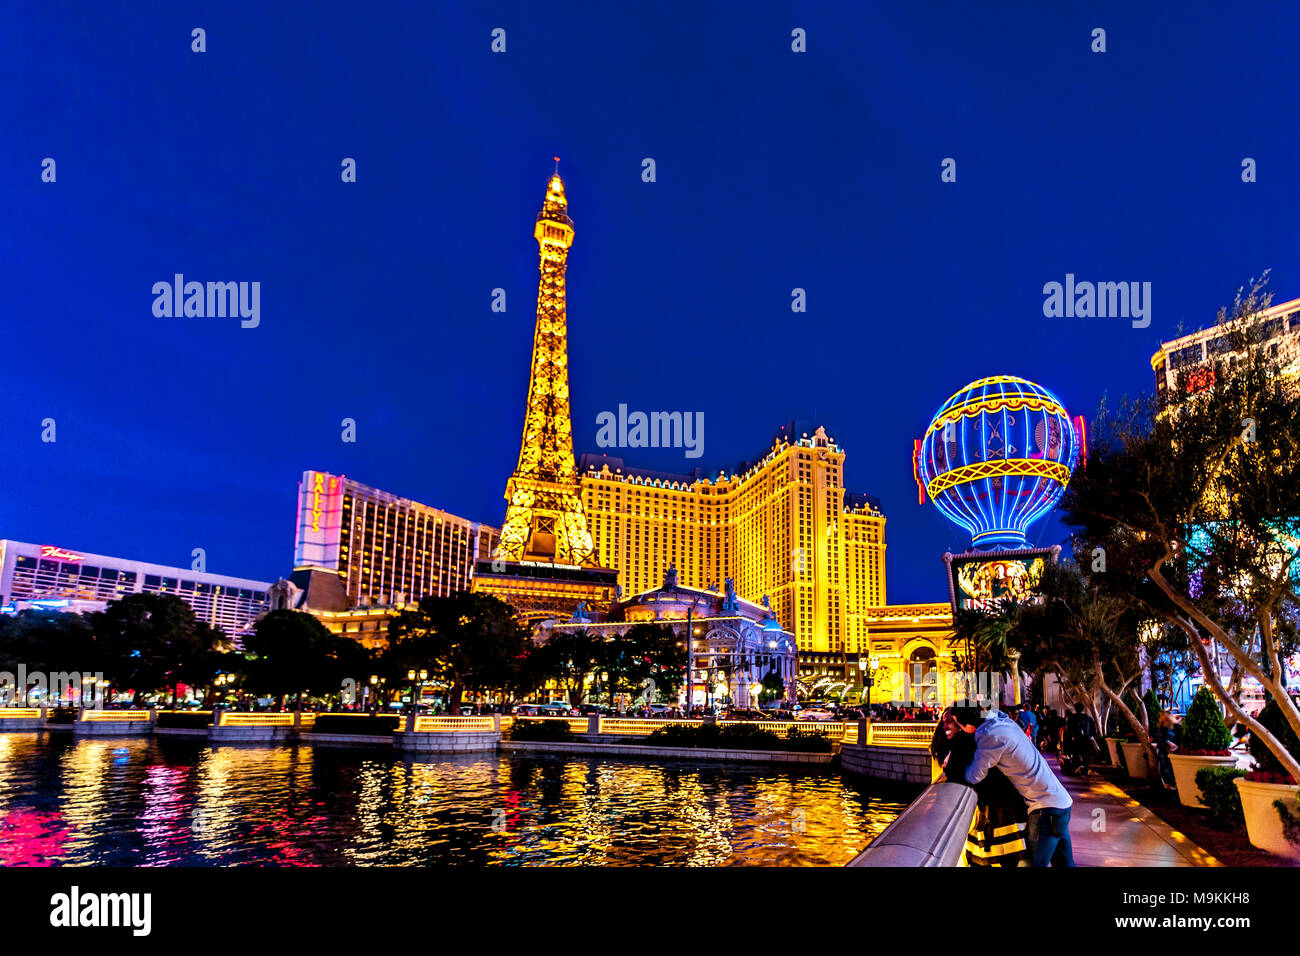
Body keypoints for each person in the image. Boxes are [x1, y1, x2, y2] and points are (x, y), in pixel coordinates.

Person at [956, 705, 1076, 867]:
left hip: (1045, 810)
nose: (960, 729)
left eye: (959, 725)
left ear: (968, 726)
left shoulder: (989, 737)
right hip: (1061, 803)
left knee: (1030, 863)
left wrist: (953, 764)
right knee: (1065, 864)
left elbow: (974, 776)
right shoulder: (1004, 722)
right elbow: (995, 712)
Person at [932, 707, 1029, 866]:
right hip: (994, 808)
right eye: (944, 722)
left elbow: (966, 777)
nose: (944, 727)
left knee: (1001, 857)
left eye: (950, 721)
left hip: (999, 811)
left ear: (961, 723)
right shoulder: (974, 739)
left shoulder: (971, 743)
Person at [1063, 703, 1097, 773]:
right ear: (1083, 708)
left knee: (1076, 755)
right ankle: (1085, 769)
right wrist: (1089, 735)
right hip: (1085, 740)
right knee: (1085, 756)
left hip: (1076, 740)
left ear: (1075, 709)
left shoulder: (1071, 718)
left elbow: (1067, 730)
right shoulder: (1087, 717)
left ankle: (1076, 769)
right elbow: (1093, 729)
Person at [1154, 711, 1179, 789]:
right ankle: (1168, 784)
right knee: (1164, 768)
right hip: (1163, 750)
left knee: (1171, 768)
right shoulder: (1161, 727)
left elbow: (1180, 738)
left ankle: (1173, 783)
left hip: (1174, 751)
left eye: (1161, 716)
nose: (1159, 718)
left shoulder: (1176, 726)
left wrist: (1176, 746)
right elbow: (1159, 738)